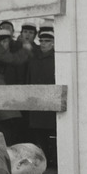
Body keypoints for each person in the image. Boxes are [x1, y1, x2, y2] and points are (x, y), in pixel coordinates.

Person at [25, 29, 57, 164]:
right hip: (36, 103)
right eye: (41, 41)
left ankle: (54, 160)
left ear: (54, 43)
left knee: (53, 134)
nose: (43, 44)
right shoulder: (34, 59)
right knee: (39, 134)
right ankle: (43, 161)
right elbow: (28, 79)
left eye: (47, 41)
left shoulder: (57, 58)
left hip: (51, 101)